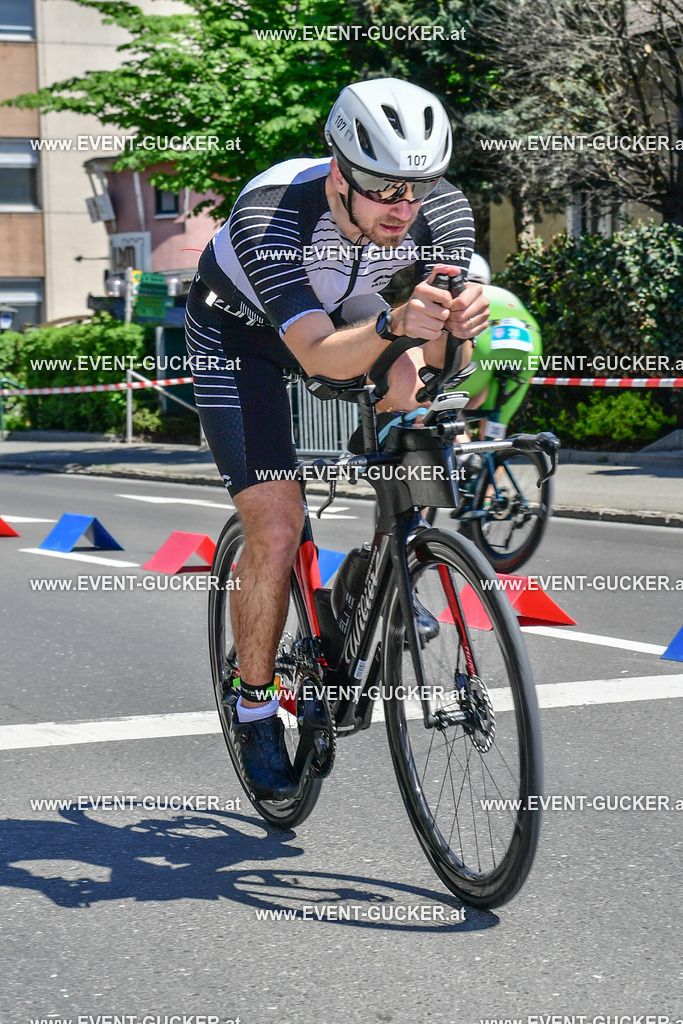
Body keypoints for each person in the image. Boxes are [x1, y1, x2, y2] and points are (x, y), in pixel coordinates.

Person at [184, 77, 489, 799]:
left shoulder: (440, 211)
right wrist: (390, 325)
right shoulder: (272, 215)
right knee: (278, 527)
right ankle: (253, 703)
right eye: (382, 186)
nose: (401, 206)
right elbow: (319, 356)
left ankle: (384, 565)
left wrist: (456, 333)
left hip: (346, 313)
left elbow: (449, 370)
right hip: (240, 336)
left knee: (413, 404)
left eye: (415, 186)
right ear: (337, 170)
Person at [450, 253, 542, 444]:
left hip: (484, 340)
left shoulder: (459, 294)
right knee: (496, 434)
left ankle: (466, 457)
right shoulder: (505, 293)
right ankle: (493, 455)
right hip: (530, 341)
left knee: (442, 402)